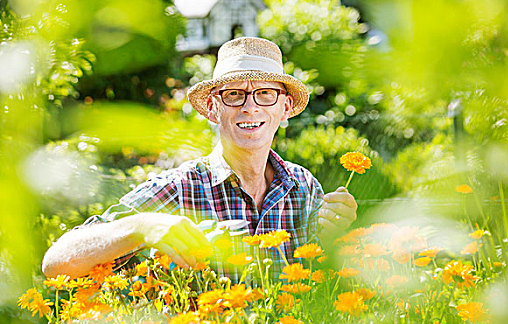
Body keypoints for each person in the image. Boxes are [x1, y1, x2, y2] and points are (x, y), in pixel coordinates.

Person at [42, 37, 357, 282]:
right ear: (211, 108)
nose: (250, 107)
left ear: (285, 107)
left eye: (265, 93)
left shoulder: (304, 187)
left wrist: (334, 233)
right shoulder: (179, 189)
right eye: (233, 94)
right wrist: (143, 225)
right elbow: (56, 262)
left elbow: (320, 279)